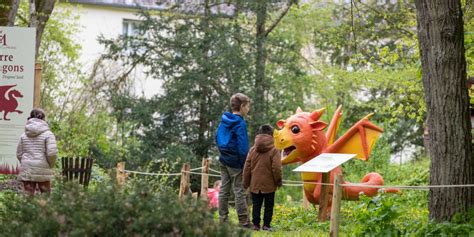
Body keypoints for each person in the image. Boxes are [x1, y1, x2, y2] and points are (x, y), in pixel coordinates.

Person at [215, 93, 251, 228]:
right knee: (239, 190)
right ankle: (243, 221)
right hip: (236, 162)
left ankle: (222, 219)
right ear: (242, 107)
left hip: (223, 159)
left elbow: (216, 137)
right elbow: (242, 147)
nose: (248, 109)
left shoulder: (224, 119)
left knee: (224, 189)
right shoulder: (240, 123)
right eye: (247, 106)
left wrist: (223, 153)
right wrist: (245, 163)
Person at [243, 124, 282, 231]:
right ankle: (266, 225)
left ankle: (255, 225)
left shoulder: (252, 150)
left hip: (254, 184)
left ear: (259, 134)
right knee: (268, 206)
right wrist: (278, 182)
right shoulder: (274, 150)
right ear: (271, 135)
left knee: (256, 205)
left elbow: (247, 167)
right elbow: (277, 168)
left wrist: (245, 183)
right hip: (269, 185)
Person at [16, 108, 57, 194]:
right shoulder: (48, 134)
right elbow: (52, 153)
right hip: (43, 168)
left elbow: (19, 153)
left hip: (27, 168)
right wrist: (50, 165)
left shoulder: (23, 135)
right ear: (43, 118)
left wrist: (25, 162)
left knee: (28, 196)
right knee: (46, 196)